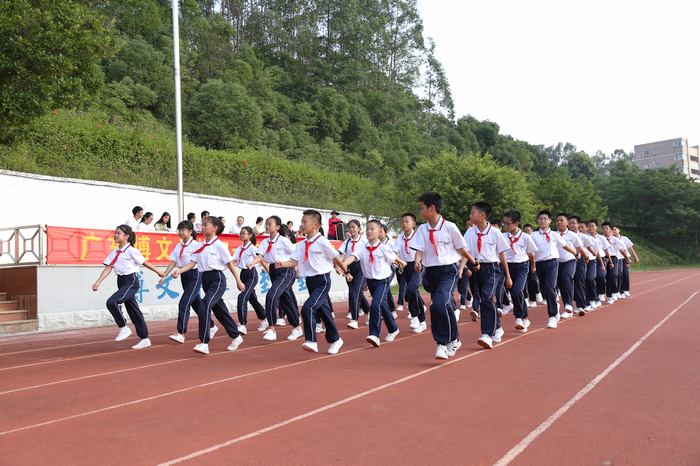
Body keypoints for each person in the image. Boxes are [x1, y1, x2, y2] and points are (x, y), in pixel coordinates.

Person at [413, 191, 478, 359]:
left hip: (449, 270)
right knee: (445, 306)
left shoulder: (450, 227)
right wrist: (417, 262)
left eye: (422, 208)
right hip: (431, 271)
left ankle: (442, 343)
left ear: (432, 208)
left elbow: (461, 248)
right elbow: (420, 249)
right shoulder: (422, 229)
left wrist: (473, 262)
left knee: (438, 305)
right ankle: (454, 339)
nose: (420, 211)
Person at [276, 210, 348, 354]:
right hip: (310, 281)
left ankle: (311, 341)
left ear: (316, 225)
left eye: (305, 222)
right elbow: (294, 261)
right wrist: (282, 264)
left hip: (322, 280)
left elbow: (335, 258)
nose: (302, 225)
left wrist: (346, 271)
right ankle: (335, 339)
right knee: (324, 312)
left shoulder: (322, 241)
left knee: (307, 308)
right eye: (301, 222)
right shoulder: (302, 244)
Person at [171, 216, 246, 355]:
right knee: (220, 312)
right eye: (203, 224)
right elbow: (192, 263)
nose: (202, 227)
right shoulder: (200, 246)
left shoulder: (219, 245)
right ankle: (236, 336)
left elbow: (230, 264)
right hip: (205, 280)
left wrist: (238, 280)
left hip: (217, 280)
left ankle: (204, 343)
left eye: (206, 225)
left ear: (215, 228)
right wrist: (179, 271)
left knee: (204, 306)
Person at [92, 224, 164, 349]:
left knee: (112, 302)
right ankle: (145, 338)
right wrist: (98, 282)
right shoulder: (115, 252)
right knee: (133, 310)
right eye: (115, 233)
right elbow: (109, 267)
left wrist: (158, 272)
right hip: (121, 281)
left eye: (118, 233)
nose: (115, 235)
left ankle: (123, 327)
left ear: (126, 236)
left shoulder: (131, 250)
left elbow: (144, 262)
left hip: (131, 281)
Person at [342, 220, 406, 348]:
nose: (369, 231)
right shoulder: (362, 247)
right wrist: (343, 264)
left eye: (372, 229)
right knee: (382, 305)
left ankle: (374, 334)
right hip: (371, 281)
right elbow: (353, 257)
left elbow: (394, 258)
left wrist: (402, 263)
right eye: (367, 229)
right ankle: (393, 328)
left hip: (383, 281)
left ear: (380, 232)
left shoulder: (383, 247)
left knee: (375, 305)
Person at [463, 201, 511, 349]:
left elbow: (502, 255)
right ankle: (498, 327)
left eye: (473, 213)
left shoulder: (495, 233)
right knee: (486, 299)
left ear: (482, 215)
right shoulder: (470, 232)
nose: (470, 215)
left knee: (486, 298)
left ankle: (486, 334)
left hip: (492, 268)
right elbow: (466, 251)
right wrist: (462, 267)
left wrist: (508, 276)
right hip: (477, 268)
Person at [247, 217, 303, 342]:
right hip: (273, 270)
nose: (266, 227)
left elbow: (297, 254)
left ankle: (271, 329)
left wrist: (297, 268)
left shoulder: (283, 241)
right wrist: (252, 263)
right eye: (266, 224)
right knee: (286, 299)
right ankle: (297, 327)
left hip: (285, 270)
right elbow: (260, 256)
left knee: (271, 295)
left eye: (269, 224)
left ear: (277, 227)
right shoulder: (265, 242)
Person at [158, 220, 214, 343]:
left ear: (190, 231)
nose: (181, 232)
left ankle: (181, 333)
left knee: (184, 302)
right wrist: (164, 276)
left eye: (183, 230)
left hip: (195, 274)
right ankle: (211, 325)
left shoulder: (196, 245)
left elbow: (196, 262)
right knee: (196, 303)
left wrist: (180, 271)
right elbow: (173, 261)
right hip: (184, 275)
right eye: (179, 230)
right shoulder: (179, 246)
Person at [531, 210, 579, 329]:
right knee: (544, 290)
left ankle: (552, 316)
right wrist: (533, 265)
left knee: (550, 288)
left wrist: (575, 253)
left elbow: (565, 245)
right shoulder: (533, 235)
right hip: (539, 264)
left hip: (552, 263)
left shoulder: (554, 235)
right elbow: (531, 251)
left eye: (545, 219)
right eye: (540, 219)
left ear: (549, 221)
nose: (542, 221)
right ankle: (555, 305)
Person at [502, 209, 537, 333]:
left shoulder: (525, 237)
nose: (505, 226)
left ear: (516, 223)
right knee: (516, 293)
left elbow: (531, 253)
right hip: (507, 267)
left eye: (508, 224)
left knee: (517, 291)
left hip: (522, 266)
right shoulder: (503, 237)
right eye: (504, 223)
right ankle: (525, 317)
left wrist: (533, 266)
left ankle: (518, 317)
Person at [393, 213, 427, 333]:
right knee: (414, 292)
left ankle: (414, 316)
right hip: (405, 266)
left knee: (411, 289)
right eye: (402, 222)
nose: (404, 224)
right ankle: (422, 321)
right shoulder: (399, 238)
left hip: (417, 265)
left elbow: (422, 251)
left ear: (413, 224)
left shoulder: (418, 237)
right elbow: (394, 253)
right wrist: (398, 263)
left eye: (407, 221)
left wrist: (419, 263)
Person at [232, 226, 267, 335]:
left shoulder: (253, 248)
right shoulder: (239, 249)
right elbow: (232, 261)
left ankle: (243, 325)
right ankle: (264, 318)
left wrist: (265, 268)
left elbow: (261, 257)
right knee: (252, 299)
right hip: (243, 273)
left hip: (251, 274)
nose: (241, 235)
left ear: (250, 235)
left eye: (244, 233)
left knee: (242, 297)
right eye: (241, 233)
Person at [337, 220, 370, 329]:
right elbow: (342, 255)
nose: (351, 229)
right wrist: (339, 265)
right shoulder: (346, 242)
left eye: (353, 227)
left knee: (355, 292)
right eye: (349, 227)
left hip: (361, 267)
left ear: (359, 228)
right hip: (349, 268)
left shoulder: (364, 241)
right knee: (355, 292)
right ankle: (369, 312)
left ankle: (354, 319)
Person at [554, 213, 588, 319]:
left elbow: (579, 248)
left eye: (561, 220)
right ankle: (564, 304)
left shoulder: (573, 235)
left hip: (571, 260)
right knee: (561, 283)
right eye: (557, 221)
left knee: (570, 280)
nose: (559, 222)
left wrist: (586, 257)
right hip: (556, 262)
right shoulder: (553, 234)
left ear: (566, 222)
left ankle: (576, 305)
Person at [602, 222, 629, 304]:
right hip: (604, 258)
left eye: (606, 228)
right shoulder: (600, 239)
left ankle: (614, 292)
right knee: (606, 277)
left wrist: (627, 258)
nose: (605, 230)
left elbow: (622, 249)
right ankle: (609, 295)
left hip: (614, 258)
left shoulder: (616, 240)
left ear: (610, 230)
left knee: (613, 275)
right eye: (603, 228)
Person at [588, 220, 612, 307]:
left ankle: (601, 293)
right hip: (591, 259)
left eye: (592, 226)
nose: (591, 228)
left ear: (596, 228)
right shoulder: (586, 237)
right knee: (591, 279)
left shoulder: (601, 238)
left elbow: (606, 249)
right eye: (589, 226)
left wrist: (610, 261)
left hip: (600, 259)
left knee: (600, 276)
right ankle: (595, 297)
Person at [378, 224, 397, 319]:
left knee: (384, 288)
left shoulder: (390, 244)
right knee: (385, 288)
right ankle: (390, 310)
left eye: (381, 231)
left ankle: (390, 311)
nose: (379, 233)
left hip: (390, 268)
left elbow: (394, 257)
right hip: (379, 270)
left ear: (386, 232)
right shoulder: (375, 244)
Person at [613, 226, 639, 296]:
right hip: (617, 258)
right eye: (612, 230)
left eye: (615, 229)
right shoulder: (611, 239)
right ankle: (619, 290)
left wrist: (635, 257)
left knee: (625, 273)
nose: (614, 231)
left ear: (619, 230)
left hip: (625, 258)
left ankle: (626, 289)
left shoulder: (624, 238)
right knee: (618, 274)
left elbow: (630, 249)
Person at [523, 223, 542, 307]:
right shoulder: (523, 240)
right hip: (526, 262)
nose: (527, 233)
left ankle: (538, 292)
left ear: (532, 231)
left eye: (528, 231)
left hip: (535, 261)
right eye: (525, 231)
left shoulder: (535, 239)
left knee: (533, 279)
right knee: (528, 281)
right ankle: (532, 300)